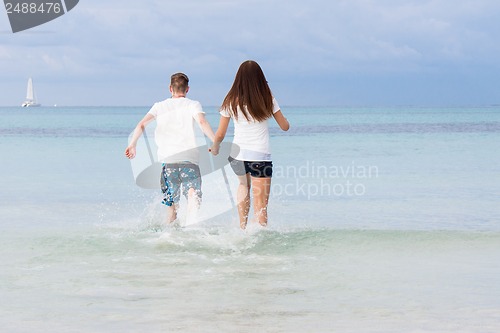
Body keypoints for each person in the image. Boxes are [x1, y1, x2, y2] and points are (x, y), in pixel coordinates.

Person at [125, 73, 215, 224]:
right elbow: (201, 121)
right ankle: (192, 221)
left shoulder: (159, 106)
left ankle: (170, 234)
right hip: (189, 160)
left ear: (170, 88)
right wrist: (215, 141)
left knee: (172, 206)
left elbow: (141, 125)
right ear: (187, 89)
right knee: (193, 193)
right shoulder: (193, 104)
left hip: (169, 162)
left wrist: (132, 144)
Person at [210, 60, 290, 229]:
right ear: (260, 79)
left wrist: (215, 147)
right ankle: (261, 240)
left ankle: (242, 228)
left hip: (237, 156)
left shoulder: (231, 100)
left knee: (242, 185)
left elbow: (221, 133)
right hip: (260, 156)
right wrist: (268, 92)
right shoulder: (267, 98)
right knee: (261, 207)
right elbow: (285, 127)